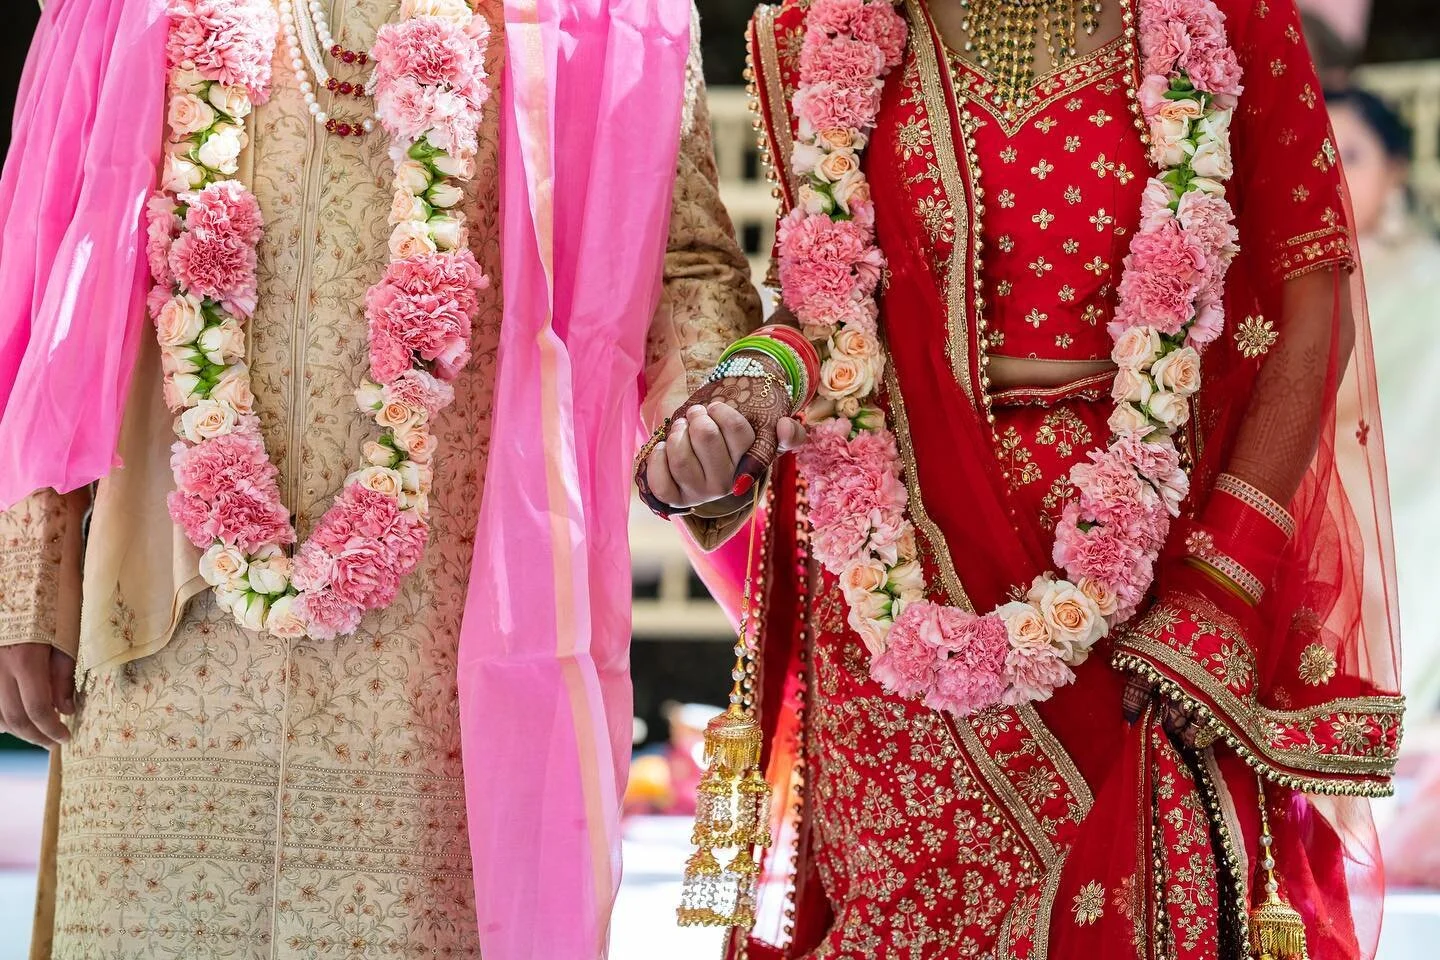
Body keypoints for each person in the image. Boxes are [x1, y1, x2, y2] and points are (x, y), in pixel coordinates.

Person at [639, 0, 1402, 957]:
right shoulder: (818, 35)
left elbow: (1311, 307)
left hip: (1145, 598)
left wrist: (1218, 586)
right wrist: (749, 392)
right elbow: (827, 313)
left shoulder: (1227, 17)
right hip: (900, 603)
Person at [0, 1, 759, 957]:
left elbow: (682, 260)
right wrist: (28, 571)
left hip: (435, 670)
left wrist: (715, 414)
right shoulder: (134, 7)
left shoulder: (595, 20)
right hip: (169, 648)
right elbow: (54, 250)